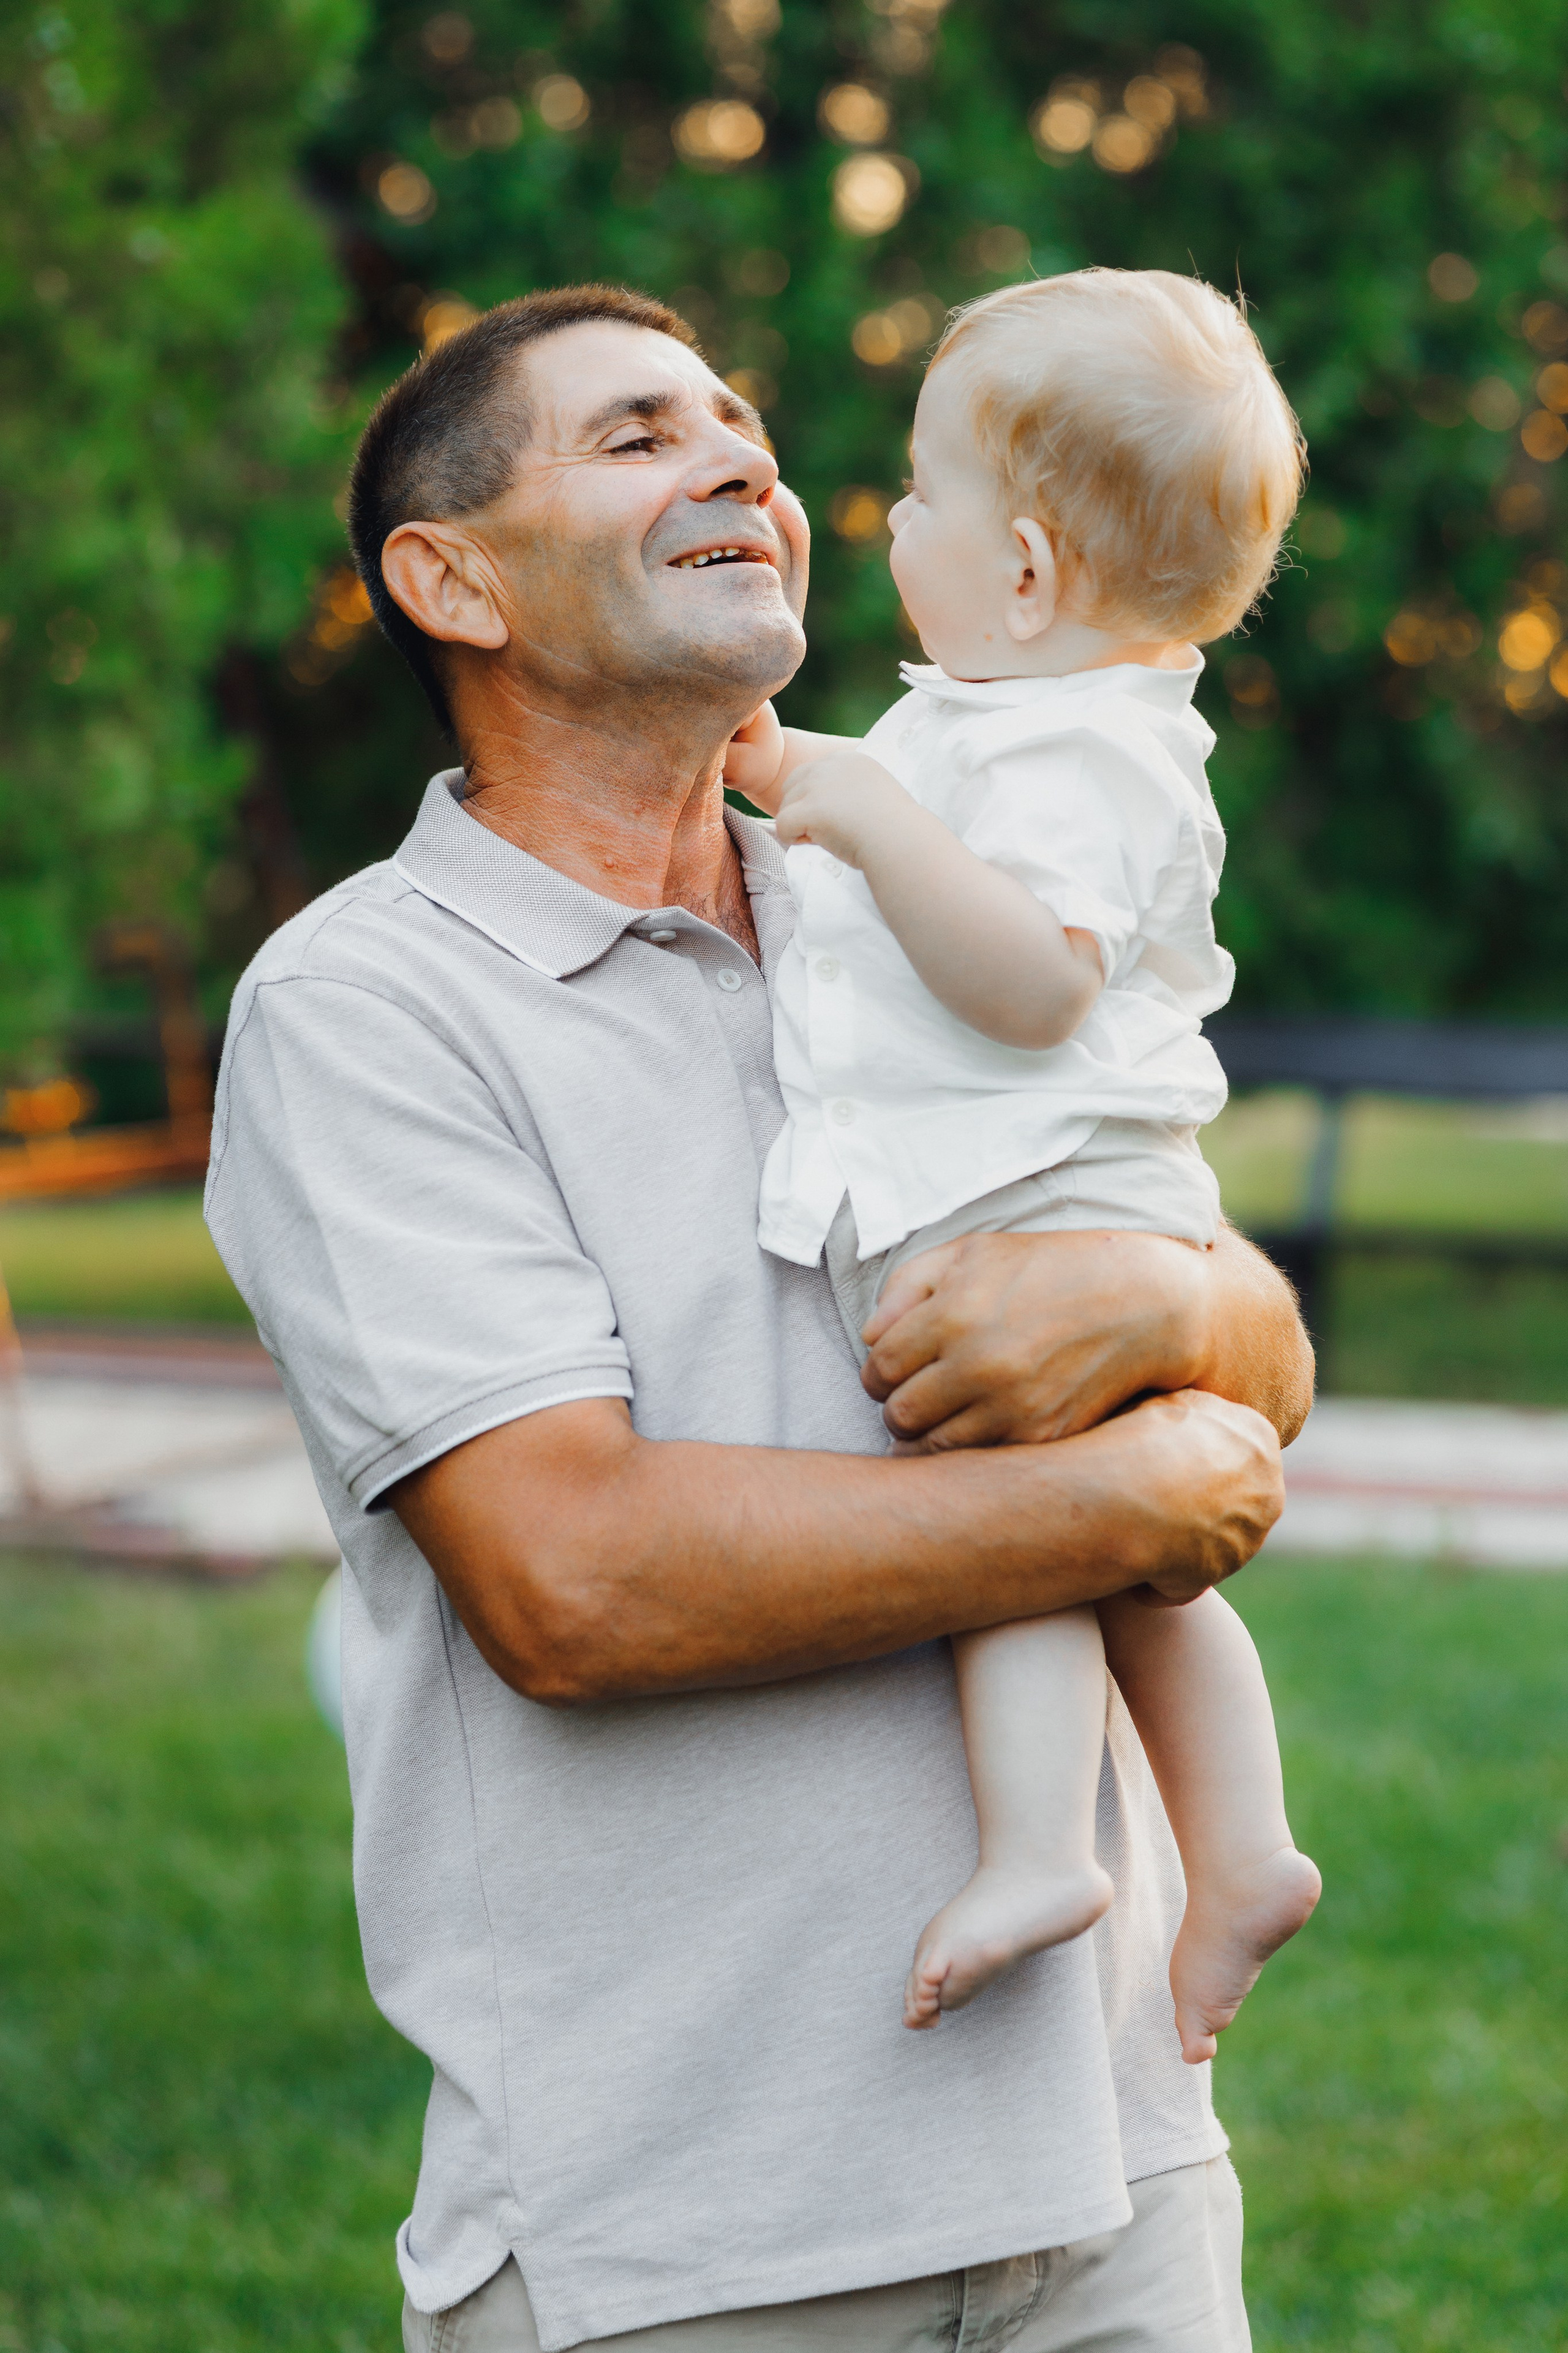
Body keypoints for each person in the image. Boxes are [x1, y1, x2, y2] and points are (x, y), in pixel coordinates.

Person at [205, 284, 1311, 2353]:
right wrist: (1134, 1487)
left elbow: (1248, 1363)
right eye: (636, 436)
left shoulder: (920, 893)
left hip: (1119, 2168)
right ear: (449, 578)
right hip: (702, 2226)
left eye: (744, 427)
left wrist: (1170, 1299)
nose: (743, 461)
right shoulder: (367, 1007)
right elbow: (577, 1578)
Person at [723, 270, 1321, 2050]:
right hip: (1066, 1195)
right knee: (1126, 1560)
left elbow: (1033, 982)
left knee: (1030, 1542)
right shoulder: (1017, 724)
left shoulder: (1078, 750)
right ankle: (1246, 1849)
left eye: (921, 490)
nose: (888, 516)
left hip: (1047, 1200)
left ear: (1036, 572)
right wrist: (811, 783)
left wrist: (868, 815)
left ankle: (1043, 1848)